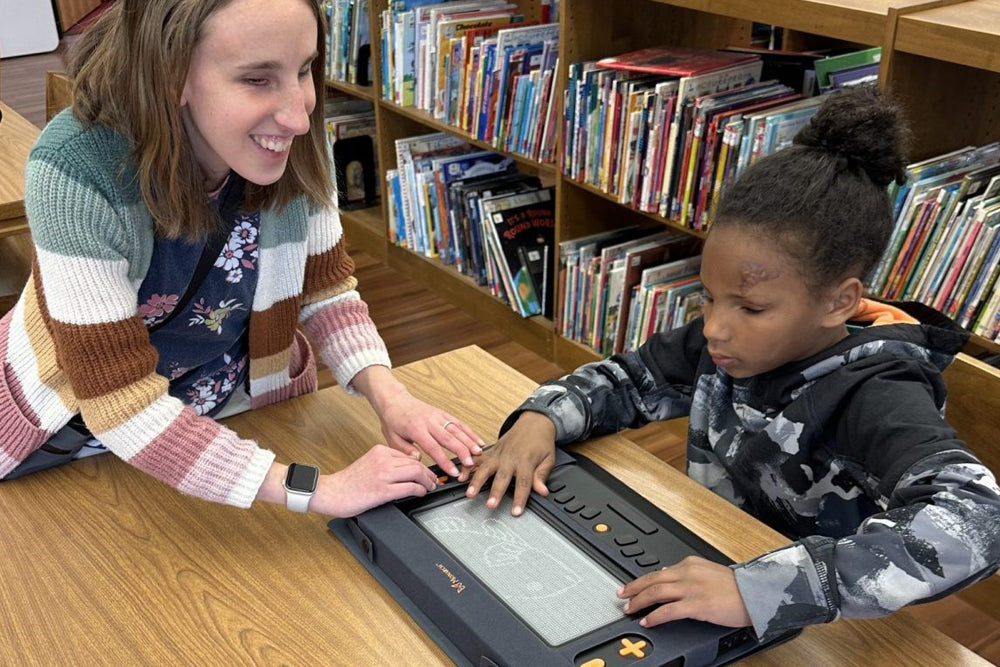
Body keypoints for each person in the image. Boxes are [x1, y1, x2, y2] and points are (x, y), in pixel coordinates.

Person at [464, 87, 1000, 641]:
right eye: (709, 296)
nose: (716, 327)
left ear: (839, 301)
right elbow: (628, 380)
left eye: (751, 307)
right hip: (708, 556)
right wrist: (542, 418)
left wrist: (763, 590)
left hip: (816, 628)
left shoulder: (877, 390)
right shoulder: (723, 343)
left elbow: (979, 520)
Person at [0, 0, 485, 518]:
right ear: (170, 74)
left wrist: (392, 397)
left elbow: (323, 289)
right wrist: (317, 490)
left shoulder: (291, 136)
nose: (299, 116)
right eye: (257, 79)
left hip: (233, 415)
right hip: (62, 431)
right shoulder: (75, 171)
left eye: (304, 70)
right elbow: (118, 400)